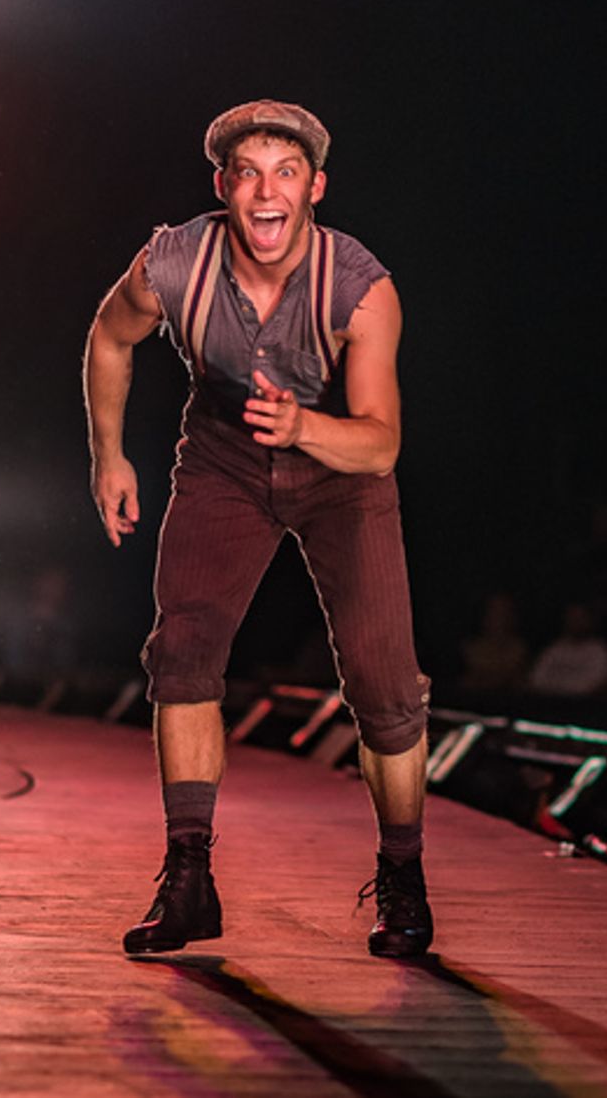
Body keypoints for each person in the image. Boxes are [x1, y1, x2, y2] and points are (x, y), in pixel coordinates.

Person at [85, 99, 432, 959]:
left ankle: (404, 880)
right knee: (182, 653)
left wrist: (305, 429)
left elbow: (382, 442)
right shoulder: (172, 261)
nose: (265, 192)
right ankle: (191, 879)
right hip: (223, 461)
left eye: (285, 174)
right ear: (223, 188)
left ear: (315, 188)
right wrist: (109, 457)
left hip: (342, 474)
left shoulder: (361, 286)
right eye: (247, 174)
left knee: (387, 689)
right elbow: (108, 338)